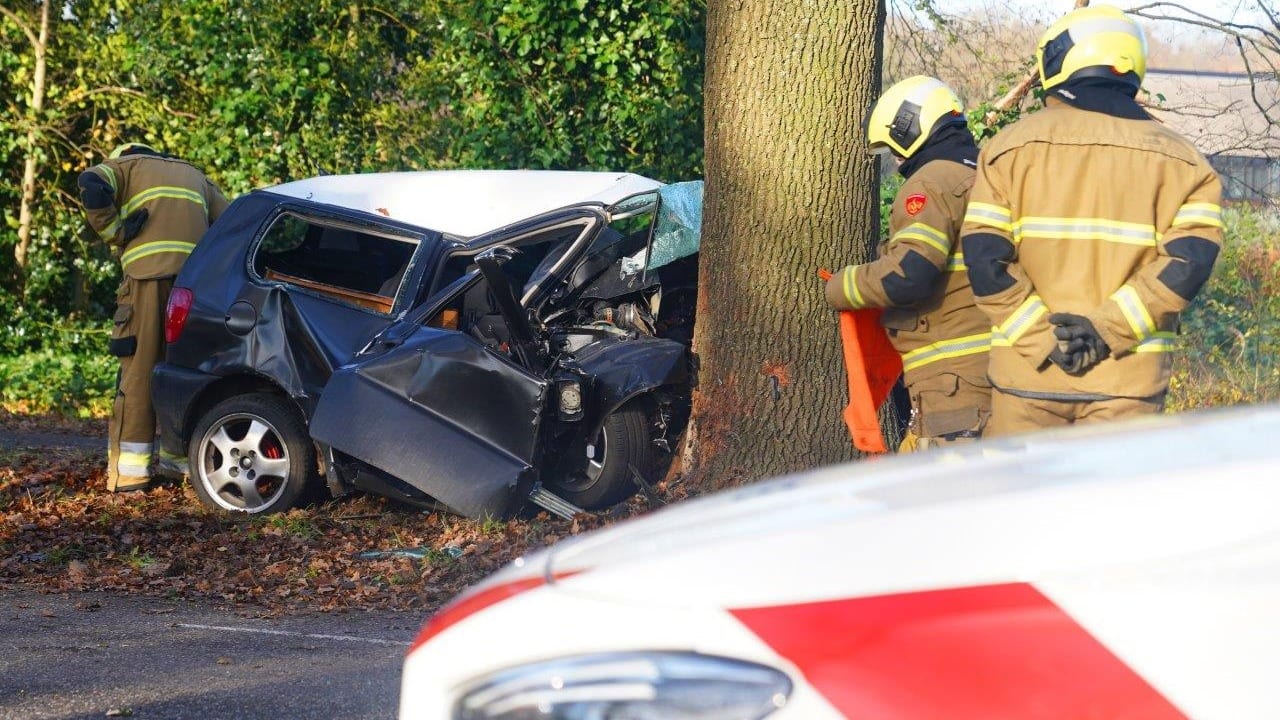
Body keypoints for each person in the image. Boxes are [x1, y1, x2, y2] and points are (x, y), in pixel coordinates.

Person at [960, 5, 1222, 436]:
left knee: (1017, 504)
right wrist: (1104, 331)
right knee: (1113, 505)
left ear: (1058, 61)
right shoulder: (1186, 163)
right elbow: (1189, 264)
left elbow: (986, 262)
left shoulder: (1007, 150)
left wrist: (1047, 342)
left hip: (1027, 383)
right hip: (1127, 386)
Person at [826, 76, 991, 449]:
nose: (898, 161)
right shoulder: (988, 176)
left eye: (894, 148)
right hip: (999, 377)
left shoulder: (930, 183)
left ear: (910, 127)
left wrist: (841, 285)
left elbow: (908, 275)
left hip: (953, 389)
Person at [79, 143, 229, 491]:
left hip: (146, 283)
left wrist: (115, 232)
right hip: (195, 289)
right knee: (184, 374)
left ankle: (130, 475)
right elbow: (231, 221)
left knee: (139, 372)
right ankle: (181, 466)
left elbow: (91, 183)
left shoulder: (124, 167)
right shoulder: (195, 176)